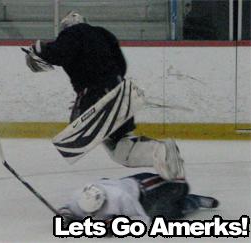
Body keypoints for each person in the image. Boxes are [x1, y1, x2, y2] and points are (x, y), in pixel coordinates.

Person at [25, 11, 184, 180]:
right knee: (121, 145)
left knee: (87, 135)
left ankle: (161, 152)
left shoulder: (72, 33)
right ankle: (160, 151)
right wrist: (111, 86)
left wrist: (38, 49)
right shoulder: (103, 33)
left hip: (96, 94)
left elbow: (58, 53)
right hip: (121, 90)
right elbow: (121, 65)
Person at [57, 172, 219, 228]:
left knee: (181, 188)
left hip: (144, 189)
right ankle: (190, 202)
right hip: (126, 186)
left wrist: (116, 224)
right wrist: (64, 216)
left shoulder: (120, 199)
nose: (91, 214)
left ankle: (193, 200)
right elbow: (66, 210)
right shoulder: (80, 198)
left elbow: (143, 219)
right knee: (170, 214)